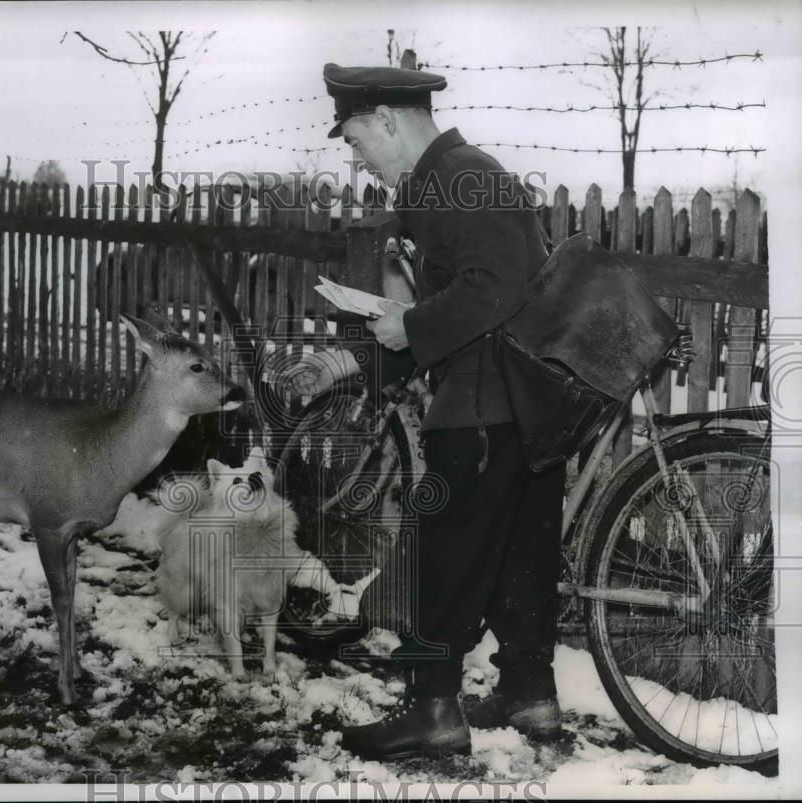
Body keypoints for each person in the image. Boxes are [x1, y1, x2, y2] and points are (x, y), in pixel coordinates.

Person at [288, 63, 568, 761]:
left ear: (386, 119)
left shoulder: (460, 176)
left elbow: (491, 287)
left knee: (444, 553)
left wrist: (409, 326)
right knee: (517, 556)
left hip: (480, 406)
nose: (356, 158)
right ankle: (530, 695)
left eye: (355, 139)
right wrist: (352, 359)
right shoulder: (451, 179)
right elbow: (457, 309)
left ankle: (432, 710)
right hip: (519, 407)